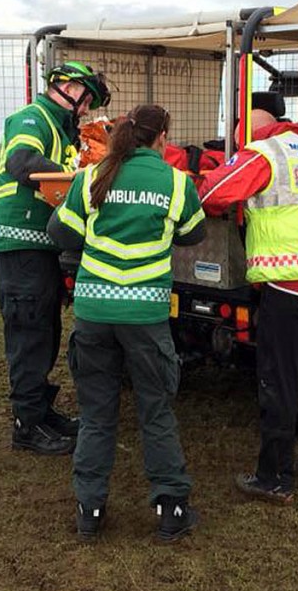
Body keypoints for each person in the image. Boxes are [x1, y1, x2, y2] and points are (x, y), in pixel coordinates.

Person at [47, 104, 206, 542]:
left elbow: (60, 232)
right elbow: (194, 233)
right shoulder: (177, 182)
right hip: (145, 316)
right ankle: (172, 509)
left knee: (97, 416)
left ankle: (90, 510)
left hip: (94, 313)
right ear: (162, 138)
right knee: (156, 412)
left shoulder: (91, 178)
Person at [197, 109, 298, 505]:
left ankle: (275, 478)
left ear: (250, 134)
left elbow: (213, 195)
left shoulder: (264, 154)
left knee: (277, 379)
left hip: (288, 283)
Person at [0, 61, 111, 456]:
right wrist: (75, 179)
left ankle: (41, 412)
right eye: (86, 99)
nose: (86, 108)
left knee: (45, 331)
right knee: (29, 334)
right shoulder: (33, 118)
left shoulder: (61, 129)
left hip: (42, 247)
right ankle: (27, 425)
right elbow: (22, 162)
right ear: (68, 88)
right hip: (21, 244)